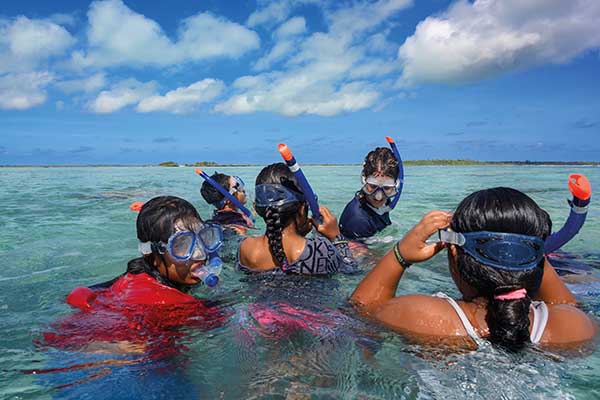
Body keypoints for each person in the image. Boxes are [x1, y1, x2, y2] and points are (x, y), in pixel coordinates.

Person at [351, 187, 596, 350]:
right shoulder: (573, 327)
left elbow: (359, 310)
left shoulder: (425, 317)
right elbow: (569, 304)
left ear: (453, 252)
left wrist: (400, 255)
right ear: (538, 258)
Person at [43, 196, 226, 354]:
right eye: (182, 246)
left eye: (204, 238)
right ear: (152, 254)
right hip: (101, 358)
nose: (200, 254)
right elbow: (221, 321)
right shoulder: (176, 304)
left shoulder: (130, 279)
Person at [238, 162, 357, 275]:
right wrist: (336, 237)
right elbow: (350, 269)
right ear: (301, 209)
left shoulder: (245, 248)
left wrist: (298, 235)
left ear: (257, 209)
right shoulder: (320, 249)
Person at [339, 147, 401, 240]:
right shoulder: (358, 220)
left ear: (395, 185)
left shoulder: (381, 201)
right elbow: (360, 254)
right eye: (372, 186)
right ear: (364, 180)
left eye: (387, 188)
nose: (379, 197)